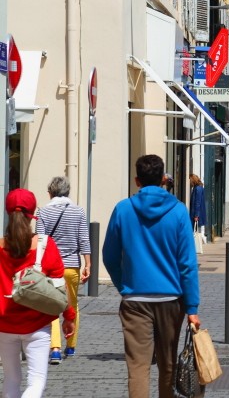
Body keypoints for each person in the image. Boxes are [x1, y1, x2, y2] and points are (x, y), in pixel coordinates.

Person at [102, 155, 200, 398]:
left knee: (137, 367)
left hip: (135, 299)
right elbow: (187, 263)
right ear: (163, 179)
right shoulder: (178, 211)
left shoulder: (123, 210)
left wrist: (124, 283)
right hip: (171, 300)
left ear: (137, 180)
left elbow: (109, 256)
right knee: (168, 365)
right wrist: (192, 307)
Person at [0, 189, 76, 398]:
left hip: (4, 324)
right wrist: (69, 317)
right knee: (36, 381)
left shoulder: (0, 246)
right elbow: (61, 287)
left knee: (11, 380)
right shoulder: (45, 245)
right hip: (37, 323)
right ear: (32, 212)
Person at [36, 176, 91, 365]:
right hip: (72, 266)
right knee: (72, 304)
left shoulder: (44, 212)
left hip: (51, 267)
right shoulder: (78, 211)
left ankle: (55, 349)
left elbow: (41, 241)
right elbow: (84, 238)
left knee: (51, 307)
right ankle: (71, 345)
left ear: (50, 192)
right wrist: (88, 264)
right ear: (68, 192)